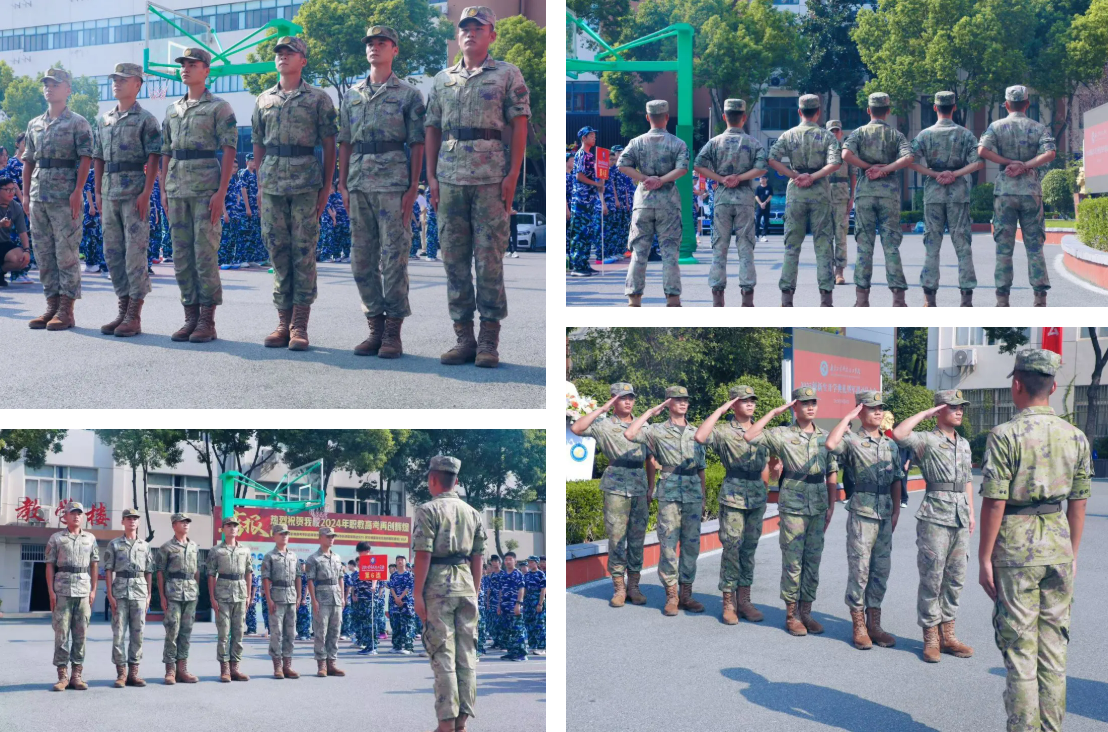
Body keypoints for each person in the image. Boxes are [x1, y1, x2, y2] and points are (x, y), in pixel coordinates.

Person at [979, 349, 1089, 731]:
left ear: (1017, 384)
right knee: (1054, 652)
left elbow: (995, 501)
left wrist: (984, 558)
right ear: (1054, 387)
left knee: (1020, 651)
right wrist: (1072, 554)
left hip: (1016, 550)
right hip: (1058, 547)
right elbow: (1079, 503)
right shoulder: (1076, 437)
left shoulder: (1004, 435)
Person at [426, 5, 530, 368]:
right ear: (457, 36)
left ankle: (488, 340)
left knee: (489, 261)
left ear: (492, 35)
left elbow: (519, 124)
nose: (470, 33)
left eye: (478, 28)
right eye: (464, 28)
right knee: (453, 262)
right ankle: (464, 338)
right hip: (449, 179)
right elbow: (432, 128)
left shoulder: (507, 73)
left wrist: (513, 174)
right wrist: (431, 177)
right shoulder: (442, 79)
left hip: (490, 179)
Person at [335, 27, 423, 357]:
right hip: (358, 183)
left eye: (382, 43)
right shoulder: (351, 95)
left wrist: (413, 185)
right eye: (370, 43)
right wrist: (342, 183)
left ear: (394, 50)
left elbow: (417, 143)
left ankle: (393, 333)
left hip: (393, 183)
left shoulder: (409, 95)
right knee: (361, 260)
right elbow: (345, 141)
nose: (374, 48)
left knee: (395, 259)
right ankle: (375, 327)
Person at [251, 37, 337, 350]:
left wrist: (326, 187)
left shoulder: (319, 99)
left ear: (303, 60)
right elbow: (258, 143)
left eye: (290, 53)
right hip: (272, 184)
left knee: (303, 252)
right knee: (277, 251)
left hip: (305, 183)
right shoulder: (263, 99)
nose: (283, 57)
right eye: (280, 53)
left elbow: (329, 144)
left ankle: (299, 324)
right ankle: (282, 322)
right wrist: (260, 184)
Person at [744, 387, 838, 636]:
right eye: (804, 403)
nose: (810, 406)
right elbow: (750, 435)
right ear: (795, 406)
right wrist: (775, 412)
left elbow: (832, 472)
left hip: (818, 504)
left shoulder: (825, 436)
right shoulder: (782, 434)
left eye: (813, 402)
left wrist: (831, 505)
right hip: (793, 505)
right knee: (793, 562)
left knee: (812, 561)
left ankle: (806, 612)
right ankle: (791, 615)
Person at [891, 390, 976, 663]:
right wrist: (926, 414)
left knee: (956, 578)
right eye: (953, 407)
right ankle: (930, 637)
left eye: (961, 407)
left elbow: (968, 480)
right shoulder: (926, 439)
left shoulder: (964, 443)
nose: (959, 411)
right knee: (932, 577)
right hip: (935, 516)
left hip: (960, 516)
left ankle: (948, 635)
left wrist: (972, 512)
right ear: (939, 410)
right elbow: (899, 433)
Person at [159, 47, 238, 343]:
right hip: (176, 188)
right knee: (181, 256)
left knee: (204, 254)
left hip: (206, 189)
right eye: (183, 64)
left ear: (206, 70)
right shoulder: (172, 109)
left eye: (193, 64)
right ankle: (190, 317)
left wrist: (222, 192)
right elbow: (165, 151)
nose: (186, 68)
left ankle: (207, 320)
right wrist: (163, 188)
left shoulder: (219, 107)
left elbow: (229, 149)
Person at [825, 391, 904, 650]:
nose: (878, 412)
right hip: (862, 513)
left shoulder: (891, 444)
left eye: (880, 407)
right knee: (860, 570)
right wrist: (848, 416)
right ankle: (858, 625)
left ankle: (874, 624)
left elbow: (897, 479)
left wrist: (896, 511)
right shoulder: (852, 440)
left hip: (884, 514)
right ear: (861, 411)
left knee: (881, 570)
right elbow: (830, 444)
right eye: (872, 408)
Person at [412, 454, 486, 732]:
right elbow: (478, 556)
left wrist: (417, 594)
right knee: (466, 655)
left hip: (438, 586)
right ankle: (461, 723)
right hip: (466, 583)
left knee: (443, 654)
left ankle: (445, 724)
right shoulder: (473, 512)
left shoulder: (427, 510)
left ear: (433, 479)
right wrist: (474, 590)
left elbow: (423, 555)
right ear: (456, 481)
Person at [569, 382, 655, 607]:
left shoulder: (643, 425)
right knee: (617, 538)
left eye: (630, 397)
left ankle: (634, 586)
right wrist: (601, 409)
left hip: (639, 485)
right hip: (615, 485)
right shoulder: (603, 425)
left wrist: (651, 487)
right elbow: (577, 428)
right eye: (622, 397)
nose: (628, 401)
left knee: (637, 538)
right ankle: (619, 587)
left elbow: (650, 459)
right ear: (614, 400)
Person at [624, 386, 707, 615]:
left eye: (685, 399)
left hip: (692, 491)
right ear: (668, 403)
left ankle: (686, 594)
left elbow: (701, 468)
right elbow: (630, 434)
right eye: (677, 399)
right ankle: (671, 595)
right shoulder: (657, 430)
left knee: (691, 545)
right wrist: (652, 412)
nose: (683, 403)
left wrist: (703, 497)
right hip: (669, 490)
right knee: (668, 543)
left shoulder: (696, 432)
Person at [92, 63, 161, 333]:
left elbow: (153, 157)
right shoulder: (104, 119)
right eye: (115, 79)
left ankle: (134, 314)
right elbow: (98, 157)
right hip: (109, 192)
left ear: (137, 84)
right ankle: (122, 310)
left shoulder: (146, 119)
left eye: (123, 79)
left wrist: (147, 192)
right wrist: (98, 192)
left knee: (135, 254)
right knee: (112, 253)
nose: (117, 83)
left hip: (134, 193)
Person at [695, 385, 773, 625]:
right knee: (732, 548)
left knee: (749, 549)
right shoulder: (723, 431)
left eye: (753, 400)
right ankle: (728, 602)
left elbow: (766, 463)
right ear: (733, 404)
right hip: (734, 495)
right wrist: (721, 410)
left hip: (756, 495)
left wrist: (765, 490)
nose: (750, 404)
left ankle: (745, 600)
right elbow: (700, 437)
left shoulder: (761, 430)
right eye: (744, 400)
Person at [23, 67, 94, 330]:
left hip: (65, 196)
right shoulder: (34, 123)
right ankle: (51, 305)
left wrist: (78, 190)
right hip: (38, 195)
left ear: (68, 90)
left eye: (55, 84)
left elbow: (86, 157)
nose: (49, 88)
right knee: (43, 253)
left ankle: (66, 310)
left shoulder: (77, 122)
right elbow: (28, 161)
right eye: (46, 84)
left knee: (66, 253)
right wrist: (26, 195)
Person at [977, 85, 1056, 307]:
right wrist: (1025, 165)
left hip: (1005, 191)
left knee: (1004, 248)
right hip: (1031, 191)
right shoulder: (1038, 127)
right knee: (1035, 247)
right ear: (1027, 104)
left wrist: (1008, 162)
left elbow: (982, 150)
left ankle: (1002, 301)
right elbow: (1050, 153)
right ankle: (1040, 300)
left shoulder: (996, 127)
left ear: (1007, 104)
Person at [907, 92, 984, 307]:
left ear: (935, 108)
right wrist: (955, 174)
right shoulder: (965, 134)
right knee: (963, 245)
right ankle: (966, 299)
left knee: (932, 245)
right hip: (958, 191)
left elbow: (910, 160)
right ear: (954, 108)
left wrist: (934, 174)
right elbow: (979, 162)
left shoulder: (925, 135)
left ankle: (929, 299)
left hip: (934, 192)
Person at [767, 94, 841, 306]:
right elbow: (835, 163)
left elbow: (771, 159)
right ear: (818, 113)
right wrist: (814, 176)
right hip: (820, 192)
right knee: (823, 246)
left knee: (792, 246)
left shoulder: (788, 135)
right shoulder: (827, 136)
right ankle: (826, 299)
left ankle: (786, 299)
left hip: (796, 191)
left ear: (799, 112)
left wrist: (795, 175)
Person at [841, 92, 914, 307]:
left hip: (865, 193)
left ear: (868, 110)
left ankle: (862, 301)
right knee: (891, 247)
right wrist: (886, 169)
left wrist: (868, 167)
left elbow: (845, 155)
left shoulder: (858, 133)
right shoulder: (895, 135)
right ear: (888, 111)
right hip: (889, 193)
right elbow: (909, 157)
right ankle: (898, 301)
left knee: (864, 247)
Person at [693, 99, 768, 307]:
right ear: (744, 117)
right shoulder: (753, 143)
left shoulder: (714, 142)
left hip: (722, 197)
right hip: (744, 198)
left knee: (719, 248)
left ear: (725, 117)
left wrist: (721, 178)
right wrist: (740, 178)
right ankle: (747, 298)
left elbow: (698, 165)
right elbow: (762, 168)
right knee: (746, 248)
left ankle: (718, 298)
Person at [617, 100, 690, 307]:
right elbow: (683, 169)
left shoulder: (636, 142)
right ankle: (673, 298)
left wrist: (644, 178)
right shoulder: (678, 143)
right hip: (669, 203)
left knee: (639, 253)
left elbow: (622, 164)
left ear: (647, 117)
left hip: (643, 203)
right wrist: (662, 180)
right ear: (666, 117)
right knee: (670, 254)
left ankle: (634, 298)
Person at [45, 502, 99, 691]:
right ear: (65, 516)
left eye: (79, 513)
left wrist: (93, 590)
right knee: (61, 633)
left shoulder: (90, 538)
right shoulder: (56, 538)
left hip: (83, 591)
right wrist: (51, 592)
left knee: (81, 634)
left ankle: (77, 675)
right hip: (62, 590)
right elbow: (50, 565)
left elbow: (94, 564)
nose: (76, 516)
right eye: (72, 513)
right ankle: (62, 676)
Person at [104, 508, 154, 688]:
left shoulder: (145, 545)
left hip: (140, 591)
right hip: (120, 591)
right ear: (123, 522)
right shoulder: (114, 544)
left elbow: (149, 571)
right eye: (128, 518)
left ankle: (134, 673)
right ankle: (121, 673)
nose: (132, 521)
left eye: (135, 518)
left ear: (138, 522)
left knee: (138, 633)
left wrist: (149, 594)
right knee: (118, 633)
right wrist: (110, 594)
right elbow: (108, 569)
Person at [207, 515, 253, 682]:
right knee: (224, 633)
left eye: (235, 526)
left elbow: (248, 573)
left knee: (239, 632)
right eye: (229, 526)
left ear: (238, 529)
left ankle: (235, 668)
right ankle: (225, 669)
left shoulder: (245, 550)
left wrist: (248, 595)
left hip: (240, 594)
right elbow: (211, 575)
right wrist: (212, 597)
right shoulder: (216, 551)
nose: (232, 528)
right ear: (223, 529)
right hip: (223, 594)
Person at [156, 513, 200, 685]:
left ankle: (183, 669)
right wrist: (162, 596)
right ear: (174, 525)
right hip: (173, 592)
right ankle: (170, 670)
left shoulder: (194, 546)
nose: (185, 524)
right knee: (172, 630)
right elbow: (160, 572)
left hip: (191, 593)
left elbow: (196, 571)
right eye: (182, 522)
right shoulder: (166, 547)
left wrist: (196, 589)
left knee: (186, 631)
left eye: (187, 522)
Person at [261, 523, 302, 679]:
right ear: (274, 536)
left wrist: (299, 596)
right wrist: (269, 599)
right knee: (276, 633)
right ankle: (277, 667)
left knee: (290, 633)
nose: (284, 536)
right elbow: (266, 578)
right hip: (276, 597)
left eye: (286, 534)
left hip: (291, 596)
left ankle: (287, 666)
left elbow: (298, 576)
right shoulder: (270, 556)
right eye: (281, 534)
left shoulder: (293, 556)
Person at [305, 526, 346, 677]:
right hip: (321, 597)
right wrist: (313, 600)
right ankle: (321, 664)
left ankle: (332, 663)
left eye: (332, 536)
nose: (331, 539)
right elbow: (310, 580)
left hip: (336, 597)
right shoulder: (313, 558)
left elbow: (341, 578)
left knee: (335, 631)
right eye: (328, 536)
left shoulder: (337, 557)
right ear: (320, 538)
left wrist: (342, 597)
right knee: (321, 632)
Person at [566, 126, 603, 276]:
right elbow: (579, 176)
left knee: (587, 233)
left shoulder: (590, 155)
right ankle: (577, 266)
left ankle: (584, 263)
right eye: (591, 135)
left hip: (589, 200)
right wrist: (596, 184)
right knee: (579, 233)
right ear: (583, 138)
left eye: (594, 135)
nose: (594, 138)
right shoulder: (581, 154)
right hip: (581, 200)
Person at [825, 120, 855, 285]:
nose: (834, 133)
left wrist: (852, 197)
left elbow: (853, 175)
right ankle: (827, 270)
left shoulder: (846, 152)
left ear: (841, 133)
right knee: (825, 235)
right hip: (824, 196)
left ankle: (839, 271)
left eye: (836, 131)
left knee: (841, 235)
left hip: (842, 197)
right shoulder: (821, 151)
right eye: (831, 131)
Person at [497, 551, 527, 660]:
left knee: (517, 630)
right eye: (506, 559)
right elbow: (501, 591)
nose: (508, 561)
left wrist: (518, 604)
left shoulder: (518, 574)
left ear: (515, 561)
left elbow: (521, 589)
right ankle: (512, 652)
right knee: (508, 631)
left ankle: (521, 654)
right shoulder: (503, 575)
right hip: (505, 607)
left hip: (515, 606)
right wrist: (499, 605)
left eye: (510, 559)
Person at [351, 541, 379, 655]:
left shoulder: (372, 561)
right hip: (362, 597)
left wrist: (373, 586)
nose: (359, 554)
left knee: (370, 622)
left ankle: (373, 647)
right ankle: (367, 645)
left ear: (367, 551)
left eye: (360, 552)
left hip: (369, 596)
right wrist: (356, 594)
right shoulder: (362, 562)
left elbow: (375, 575)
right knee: (364, 622)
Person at [0, 177, 31, 279]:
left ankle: (1, 272)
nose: (12, 192)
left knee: (21, 258)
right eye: (7, 190)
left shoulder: (16, 206)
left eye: (13, 189)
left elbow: (22, 231)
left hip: (4, 243)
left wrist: (27, 250)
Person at [389, 554, 416, 654]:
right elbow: (391, 587)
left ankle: (408, 647)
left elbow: (408, 587)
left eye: (402, 560)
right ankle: (397, 646)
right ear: (396, 562)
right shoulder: (393, 575)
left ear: (405, 562)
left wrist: (400, 598)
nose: (400, 561)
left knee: (407, 625)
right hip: (395, 603)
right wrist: (396, 598)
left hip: (406, 603)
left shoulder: (409, 575)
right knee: (396, 624)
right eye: (398, 560)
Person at [523, 555, 545, 655]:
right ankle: (533, 645)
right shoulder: (526, 575)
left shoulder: (541, 574)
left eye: (532, 562)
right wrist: (522, 602)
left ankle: (542, 647)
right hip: (528, 603)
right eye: (529, 562)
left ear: (536, 563)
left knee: (539, 624)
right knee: (529, 624)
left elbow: (543, 590)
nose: (530, 564)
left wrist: (540, 603)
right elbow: (525, 590)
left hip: (537, 602)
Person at [483, 555, 502, 648]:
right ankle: (496, 641)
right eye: (492, 562)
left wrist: (500, 603)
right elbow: (489, 590)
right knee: (493, 623)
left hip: (500, 601)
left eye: (495, 561)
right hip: (492, 602)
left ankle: (503, 642)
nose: (494, 563)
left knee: (500, 622)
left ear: (499, 563)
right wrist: (487, 602)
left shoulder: (503, 574)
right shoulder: (492, 575)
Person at [754, 175, 771, 243]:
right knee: (757, 221)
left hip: (767, 206)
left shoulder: (769, 187)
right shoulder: (758, 188)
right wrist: (761, 203)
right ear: (759, 180)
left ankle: (763, 236)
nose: (762, 180)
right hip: (759, 207)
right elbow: (756, 196)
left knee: (766, 221)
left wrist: (765, 203)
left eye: (764, 178)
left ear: (766, 179)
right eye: (761, 179)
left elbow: (770, 196)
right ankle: (756, 235)